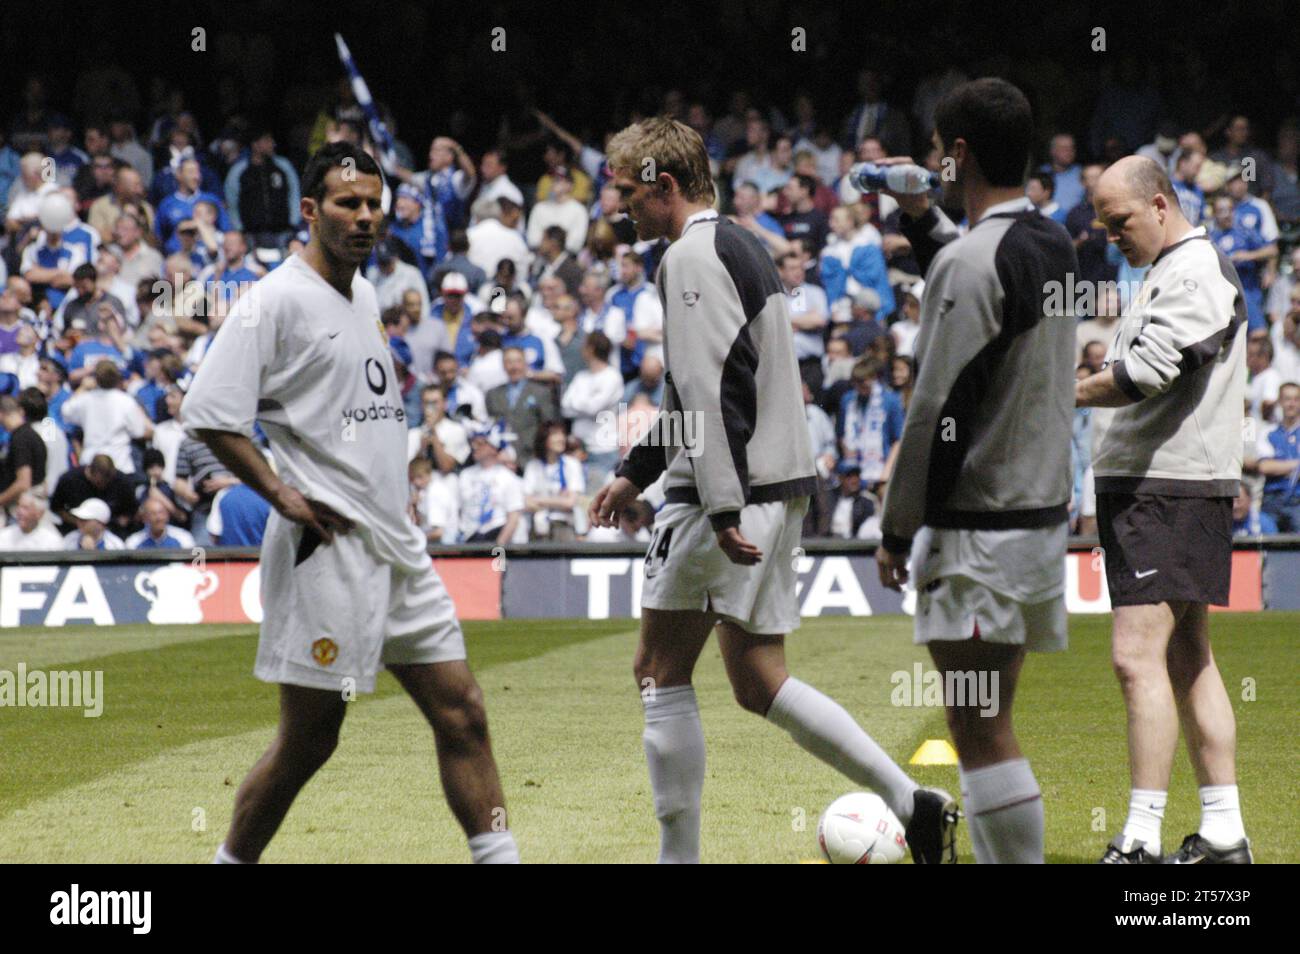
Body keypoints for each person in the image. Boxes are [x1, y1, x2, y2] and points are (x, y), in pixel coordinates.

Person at [592, 116, 956, 865]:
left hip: (725, 495)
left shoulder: (688, 257)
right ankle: (912, 800)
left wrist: (719, 505)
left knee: (659, 673)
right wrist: (636, 472)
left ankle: (678, 859)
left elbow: (706, 390)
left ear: (663, 186)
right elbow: (702, 391)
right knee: (760, 680)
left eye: (626, 191)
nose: (617, 207)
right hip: (775, 483)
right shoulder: (738, 246)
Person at [181, 142, 517, 864]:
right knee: (309, 743)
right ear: (309, 210)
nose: (364, 217)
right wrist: (279, 491)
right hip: (325, 551)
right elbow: (206, 410)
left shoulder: (362, 292)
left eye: (373, 204)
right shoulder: (273, 300)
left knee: (464, 714)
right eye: (346, 203)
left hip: (396, 546)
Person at [875, 79, 1079, 864]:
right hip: (1035, 522)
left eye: (937, 151)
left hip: (978, 533)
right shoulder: (1053, 242)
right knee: (989, 717)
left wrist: (898, 528)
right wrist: (925, 218)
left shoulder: (970, 262)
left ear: (957, 154)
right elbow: (986, 285)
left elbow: (934, 413)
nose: (932, 162)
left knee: (978, 724)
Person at [1077, 155, 1251, 864]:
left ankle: (1140, 843)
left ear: (1158, 204)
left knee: (1134, 657)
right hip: (1163, 488)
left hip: (1170, 490)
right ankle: (1223, 834)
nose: (1111, 235)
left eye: (1118, 222)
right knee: (1187, 659)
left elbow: (1146, 374)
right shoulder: (1169, 271)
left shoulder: (1194, 272)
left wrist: (1059, 389)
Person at [523, 421, 584, 541]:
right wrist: (559, 500)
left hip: (564, 526)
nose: (561, 438)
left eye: (562, 434)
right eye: (555, 434)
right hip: (539, 527)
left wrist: (539, 499)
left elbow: (570, 502)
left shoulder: (571, 465)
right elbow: (527, 502)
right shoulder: (533, 466)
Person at [1252, 381, 1300, 532]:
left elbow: (1272, 465)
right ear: (1280, 401)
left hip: (1298, 499)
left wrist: (1279, 465)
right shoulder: (1269, 431)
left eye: (1296, 399)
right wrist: (1296, 464)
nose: (1291, 404)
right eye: (1287, 399)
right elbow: (1265, 466)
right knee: (1267, 545)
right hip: (1272, 498)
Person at [125, 497, 195, 549]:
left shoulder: (183, 537)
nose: (158, 518)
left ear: (167, 516)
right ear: (145, 518)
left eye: (161, 513)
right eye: (153, 514)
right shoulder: (134, 542)